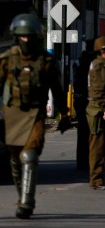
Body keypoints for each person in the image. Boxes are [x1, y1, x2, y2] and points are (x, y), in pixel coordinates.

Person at [0, 13, 70, 219]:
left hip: (35, 115)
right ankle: (22, 193)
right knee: (15, 159)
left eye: (30, 36)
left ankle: (26, 203)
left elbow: (58, 90)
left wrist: (64, 114)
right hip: (12, 115)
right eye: (22, 37)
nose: (26, 40)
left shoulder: (46, 62)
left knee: (29, 156)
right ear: (16, 37)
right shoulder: (7, 60)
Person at [86, 36, 105, 190]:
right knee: (97, 146)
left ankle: (98, 178)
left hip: (96, 108)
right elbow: (99, 89)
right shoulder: (100, 66)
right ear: (103, 51)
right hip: (97, 110)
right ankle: (96, 180)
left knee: (99, 145)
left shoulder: (101, 64)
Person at [73, 51, 90, 170]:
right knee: (89, 134)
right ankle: (86, 161)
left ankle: (81, 162)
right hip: (85, 102)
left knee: (82, 134)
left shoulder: (79, 69)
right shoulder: (87, 70)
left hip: (79, 101)